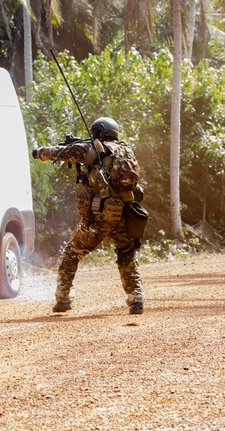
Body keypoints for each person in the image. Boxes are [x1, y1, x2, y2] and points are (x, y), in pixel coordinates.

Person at [32, 117, 145, 315]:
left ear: (98, 132)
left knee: (72, 252)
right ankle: (136, 299)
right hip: (123, 214)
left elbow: (60, 153)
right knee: (126, 252)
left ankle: (63, 298)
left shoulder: (92, 149)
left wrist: (38, 153)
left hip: (100, 215)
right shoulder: (126, 150)